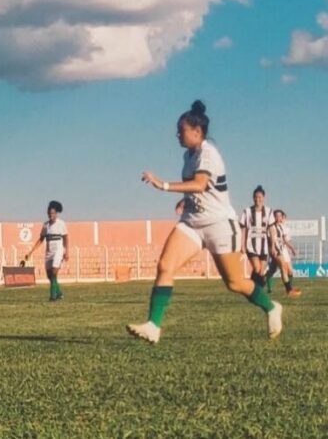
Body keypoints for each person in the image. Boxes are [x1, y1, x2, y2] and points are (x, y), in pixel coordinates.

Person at [127, 100, 282, 344]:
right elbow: (197, 190)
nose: (177, 134)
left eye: (182, 129)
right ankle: (153, 326)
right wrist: (184, 201)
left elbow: (200, 184)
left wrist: (163, 185)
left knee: (234, 283)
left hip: (219, 224)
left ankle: (272, 307)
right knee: (166, 265)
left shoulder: (208, 154)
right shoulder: (188, 155)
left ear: (197, 132)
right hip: (192, 223)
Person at [24, 201, 69, 301]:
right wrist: (31, 252)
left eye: (52, 213)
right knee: (49, 275)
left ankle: (53, 297)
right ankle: (59, 293)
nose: (51, 215)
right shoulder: (45, 225)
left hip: (58, 250)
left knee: (54, 272)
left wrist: (66, 251)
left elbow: (66, 238)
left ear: (56, 213)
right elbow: (41, 239)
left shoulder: (61, 224)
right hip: (49, 251)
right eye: (49, 213)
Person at [239, 186, 274, 287]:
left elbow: (272, 230)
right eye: (255, 197)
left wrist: (272, 245)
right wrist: (242, 244)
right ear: (253, 198)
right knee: (257, 268)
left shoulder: (269, 211)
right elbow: (244, 229)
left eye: (260, 197)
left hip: (264, 246)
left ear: (263, 198)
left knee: (261, 272)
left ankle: (255, 290)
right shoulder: (247, 211)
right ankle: (251, 289)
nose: (257, 199)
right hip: (251, 245)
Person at [268, 210, 301, 298]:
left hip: (282, 249)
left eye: (279, 216)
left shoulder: (281, 227)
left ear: (282, 217)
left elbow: (285, 240)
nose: (278, 218)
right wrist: (272, 248)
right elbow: (271, 239)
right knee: (283, 267)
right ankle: (289, 290)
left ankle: (258, 284)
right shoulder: (271, 227)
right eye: (276, 216)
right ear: (273, 217)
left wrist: (292, 248)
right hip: (276, 249)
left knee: (274, 270)